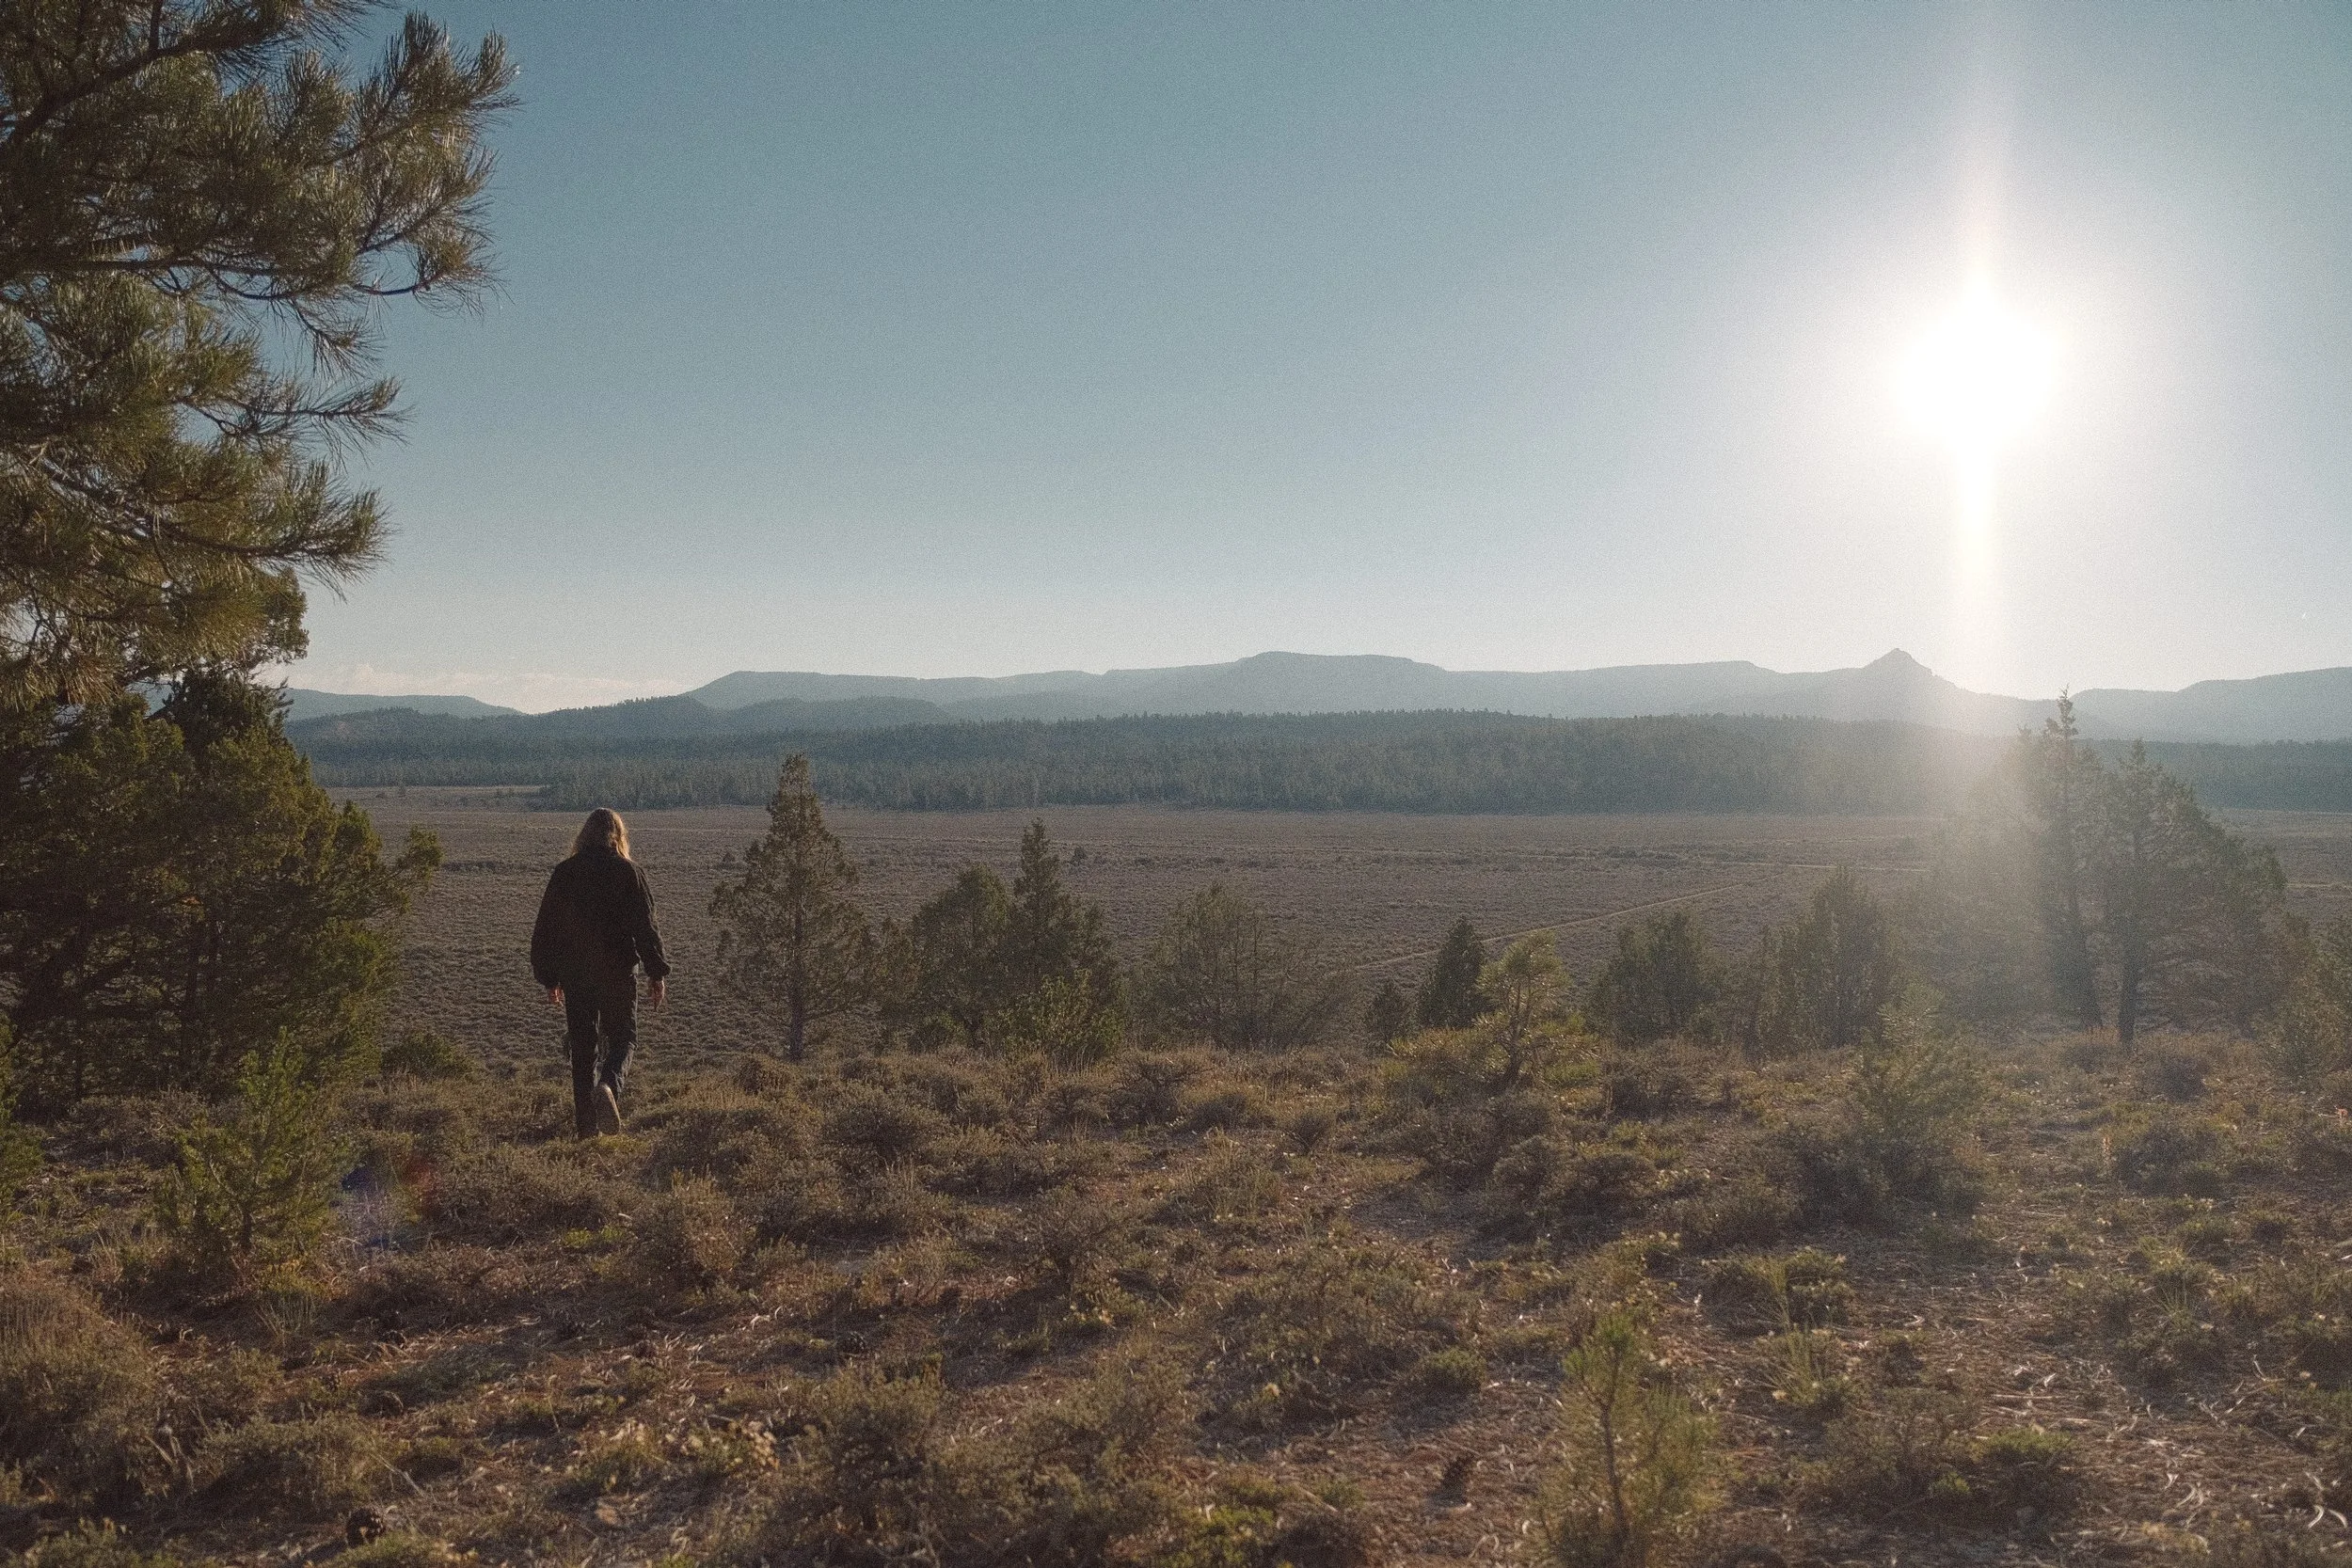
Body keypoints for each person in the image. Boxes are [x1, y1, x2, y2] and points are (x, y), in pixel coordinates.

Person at [531, 808, 669, 1137]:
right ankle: (608, 1085)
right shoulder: (629, 872)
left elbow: (545, 929)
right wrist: (656, 972)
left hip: (575, 975)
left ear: (584, 835)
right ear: (618, 836)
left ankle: (587, 1131)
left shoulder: (565, 873)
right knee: (623, 1040)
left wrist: (549, 977)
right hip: (618, 973)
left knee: (582, 1049)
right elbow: (645, 929)